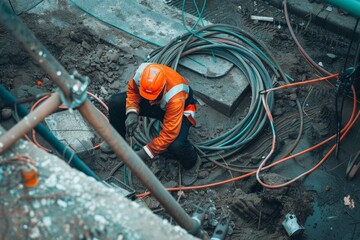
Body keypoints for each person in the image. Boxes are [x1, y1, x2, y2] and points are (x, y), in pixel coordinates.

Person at [104, 63, 201, 185]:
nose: (150, 102)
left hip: (180, 110)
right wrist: (132, 111)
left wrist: (144, 153)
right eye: (147, 97)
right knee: (116, 102)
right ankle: (116, 140)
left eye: (153, 98)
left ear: (163, 88)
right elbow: (133, 91)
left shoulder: (176, 96)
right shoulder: (141, 75)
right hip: (160, 103)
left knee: (176, 143)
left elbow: (169, 134)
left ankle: (192, 162)